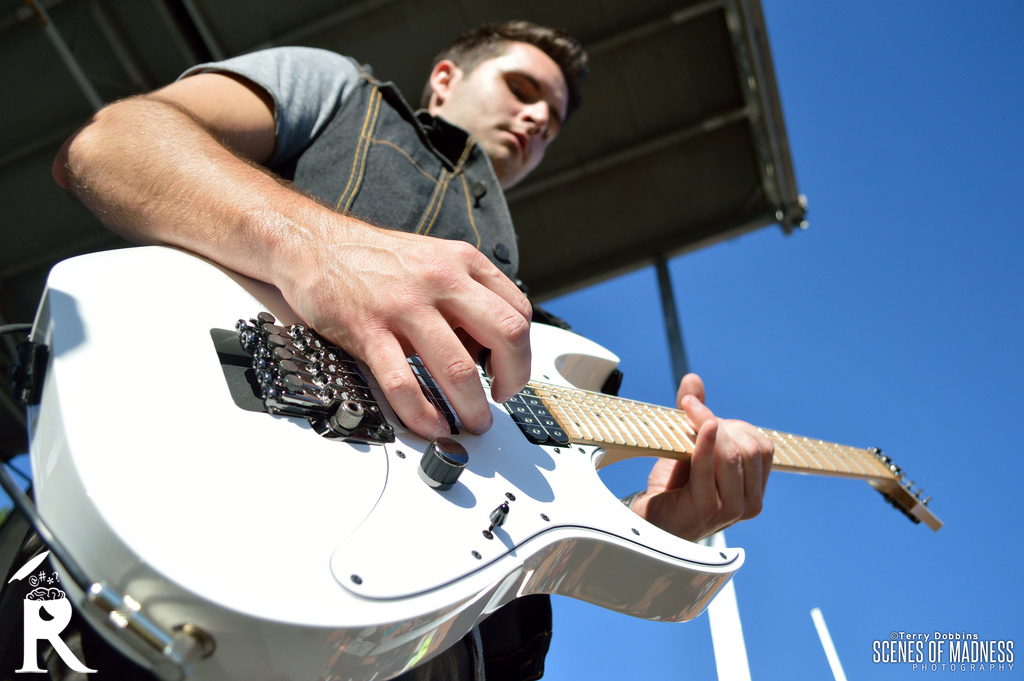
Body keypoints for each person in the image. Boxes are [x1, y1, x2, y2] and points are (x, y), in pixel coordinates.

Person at [17, 20, 774, 680]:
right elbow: (109, 147)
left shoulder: (534, 330)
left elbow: (533, 538)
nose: (540, 117)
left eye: (553, 120)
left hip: (405, 644)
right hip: (177, 526)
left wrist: (654, 520)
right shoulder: (341, 94)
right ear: (445, 79)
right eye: (521, 88)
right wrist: (317, 248)